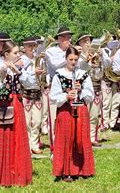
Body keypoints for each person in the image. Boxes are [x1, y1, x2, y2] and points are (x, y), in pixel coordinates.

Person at [0, 40, 34, 187]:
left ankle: (18, 173)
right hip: (4, 105)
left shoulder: (19, 68)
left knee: (18, 138)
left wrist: (19, 73)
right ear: (6, 54)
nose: (19, 55)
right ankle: (2, 173)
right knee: (3, 138)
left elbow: (31, 84)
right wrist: (2, 78)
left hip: (17, 105)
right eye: (16, 53)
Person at [50, 46, 95, 182]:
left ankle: (82, 169)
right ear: (66, 59)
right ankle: (66, 171)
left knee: (81, 138)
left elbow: (90, 95)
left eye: (76, 59)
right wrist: (66, 95)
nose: (73, 62)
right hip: (65, 110)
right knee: (66, 139)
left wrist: (81, 91)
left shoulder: (83, 74)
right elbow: (53, 97)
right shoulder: (59, 75)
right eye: (71, 59)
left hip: (80, 109)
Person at [45, 26, 73, 149]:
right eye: (66, 38)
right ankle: (54, 149)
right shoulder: (51, 51)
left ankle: (68, 146)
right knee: (54, 118)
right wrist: (69, 56)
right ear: (59, 39)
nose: (69, 40)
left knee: (70, 117)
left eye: (69, 38)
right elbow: (55, 65)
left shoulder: (71, 50)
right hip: (55, 86)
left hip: (70, 87)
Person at [77, 33, 103, 146]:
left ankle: (92, 138)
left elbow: (107, 66)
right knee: (83, 115)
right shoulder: (78, 57)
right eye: (85, 41)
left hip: (96, 85)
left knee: (94, 115)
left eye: (89, 41)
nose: (88, 43)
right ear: (80, 44)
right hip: (83, 89)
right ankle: (83, 138)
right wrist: (87, 60)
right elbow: (79, 69)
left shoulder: (96, 55)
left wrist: (102, 56)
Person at [20, 36, 44, 154]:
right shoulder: (21, 60)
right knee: (26, 121)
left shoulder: (38, 59)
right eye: (29, 46)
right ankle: (27, 145)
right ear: (24, 47)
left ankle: (34, 144)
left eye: (34, 46)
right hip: (26, 93)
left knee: (38, 121)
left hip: (38, 92)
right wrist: (33, 72)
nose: (32, 48)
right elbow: (22, 77)